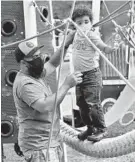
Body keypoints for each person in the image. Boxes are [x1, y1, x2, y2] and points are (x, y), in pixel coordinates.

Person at [13, 30, 82, 162]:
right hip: (39, 147)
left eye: (39, 55)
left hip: (48, 143)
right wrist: (66, 85)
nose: (39, 59)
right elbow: (44, 106)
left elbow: (52, 63)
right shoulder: (25, 83)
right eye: (34, 57)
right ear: (23, 63)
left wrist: (66, 43)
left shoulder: (33, 73)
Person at [71, 4, 116, 142]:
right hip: (79, 76)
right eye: (79, 23)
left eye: (86, 22)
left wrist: (110, 48)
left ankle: (101, 129)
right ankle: (90, 128)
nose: (83, 25)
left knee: (93, 104)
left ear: (91, 22)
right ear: (75, 25)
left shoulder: (91, 35)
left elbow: (102, 47)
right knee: (81, 105)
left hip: (91, 75)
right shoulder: (75, 35)